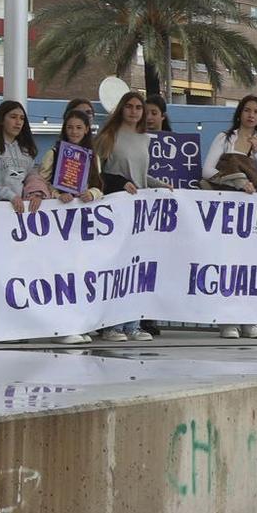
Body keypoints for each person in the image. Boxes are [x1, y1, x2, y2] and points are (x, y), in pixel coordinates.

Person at [202, 94, 257, 339]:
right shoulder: (225, 139)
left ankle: (251, 319)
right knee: (229, 263)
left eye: (256, 111)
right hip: (228, 209)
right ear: (240, 113)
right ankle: (228, 320)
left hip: (256, 211)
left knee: (252, 265)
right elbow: (207, 170)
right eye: (247, 110)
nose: (251, 115)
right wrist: (237, 181)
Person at [35, 101, 106, 345]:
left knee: (80, 275)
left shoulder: (93, 157)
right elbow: (41, 184)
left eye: (79, 127)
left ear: (86, 130)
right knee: (60, 275)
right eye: (70, 127)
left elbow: (99, 186)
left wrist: (91, 194)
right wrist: (58, 194)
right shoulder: (53, 154)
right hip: (58, 225)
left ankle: (77, 324)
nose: (74, 132)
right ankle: (60, 326)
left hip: (82, 226)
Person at [92, 89, 155, 341]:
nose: (134, 111)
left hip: (139, 210)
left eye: (138, 107)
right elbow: (97, 173)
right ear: (121, 108)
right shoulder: (108, 136)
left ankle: (133, 324)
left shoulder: (145, 139)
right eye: (129, 106)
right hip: (115, 208)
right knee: (117, 267)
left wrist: (160, 185)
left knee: (136, 267)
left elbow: (141, 174)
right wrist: (119, 183)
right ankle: (112, 325)